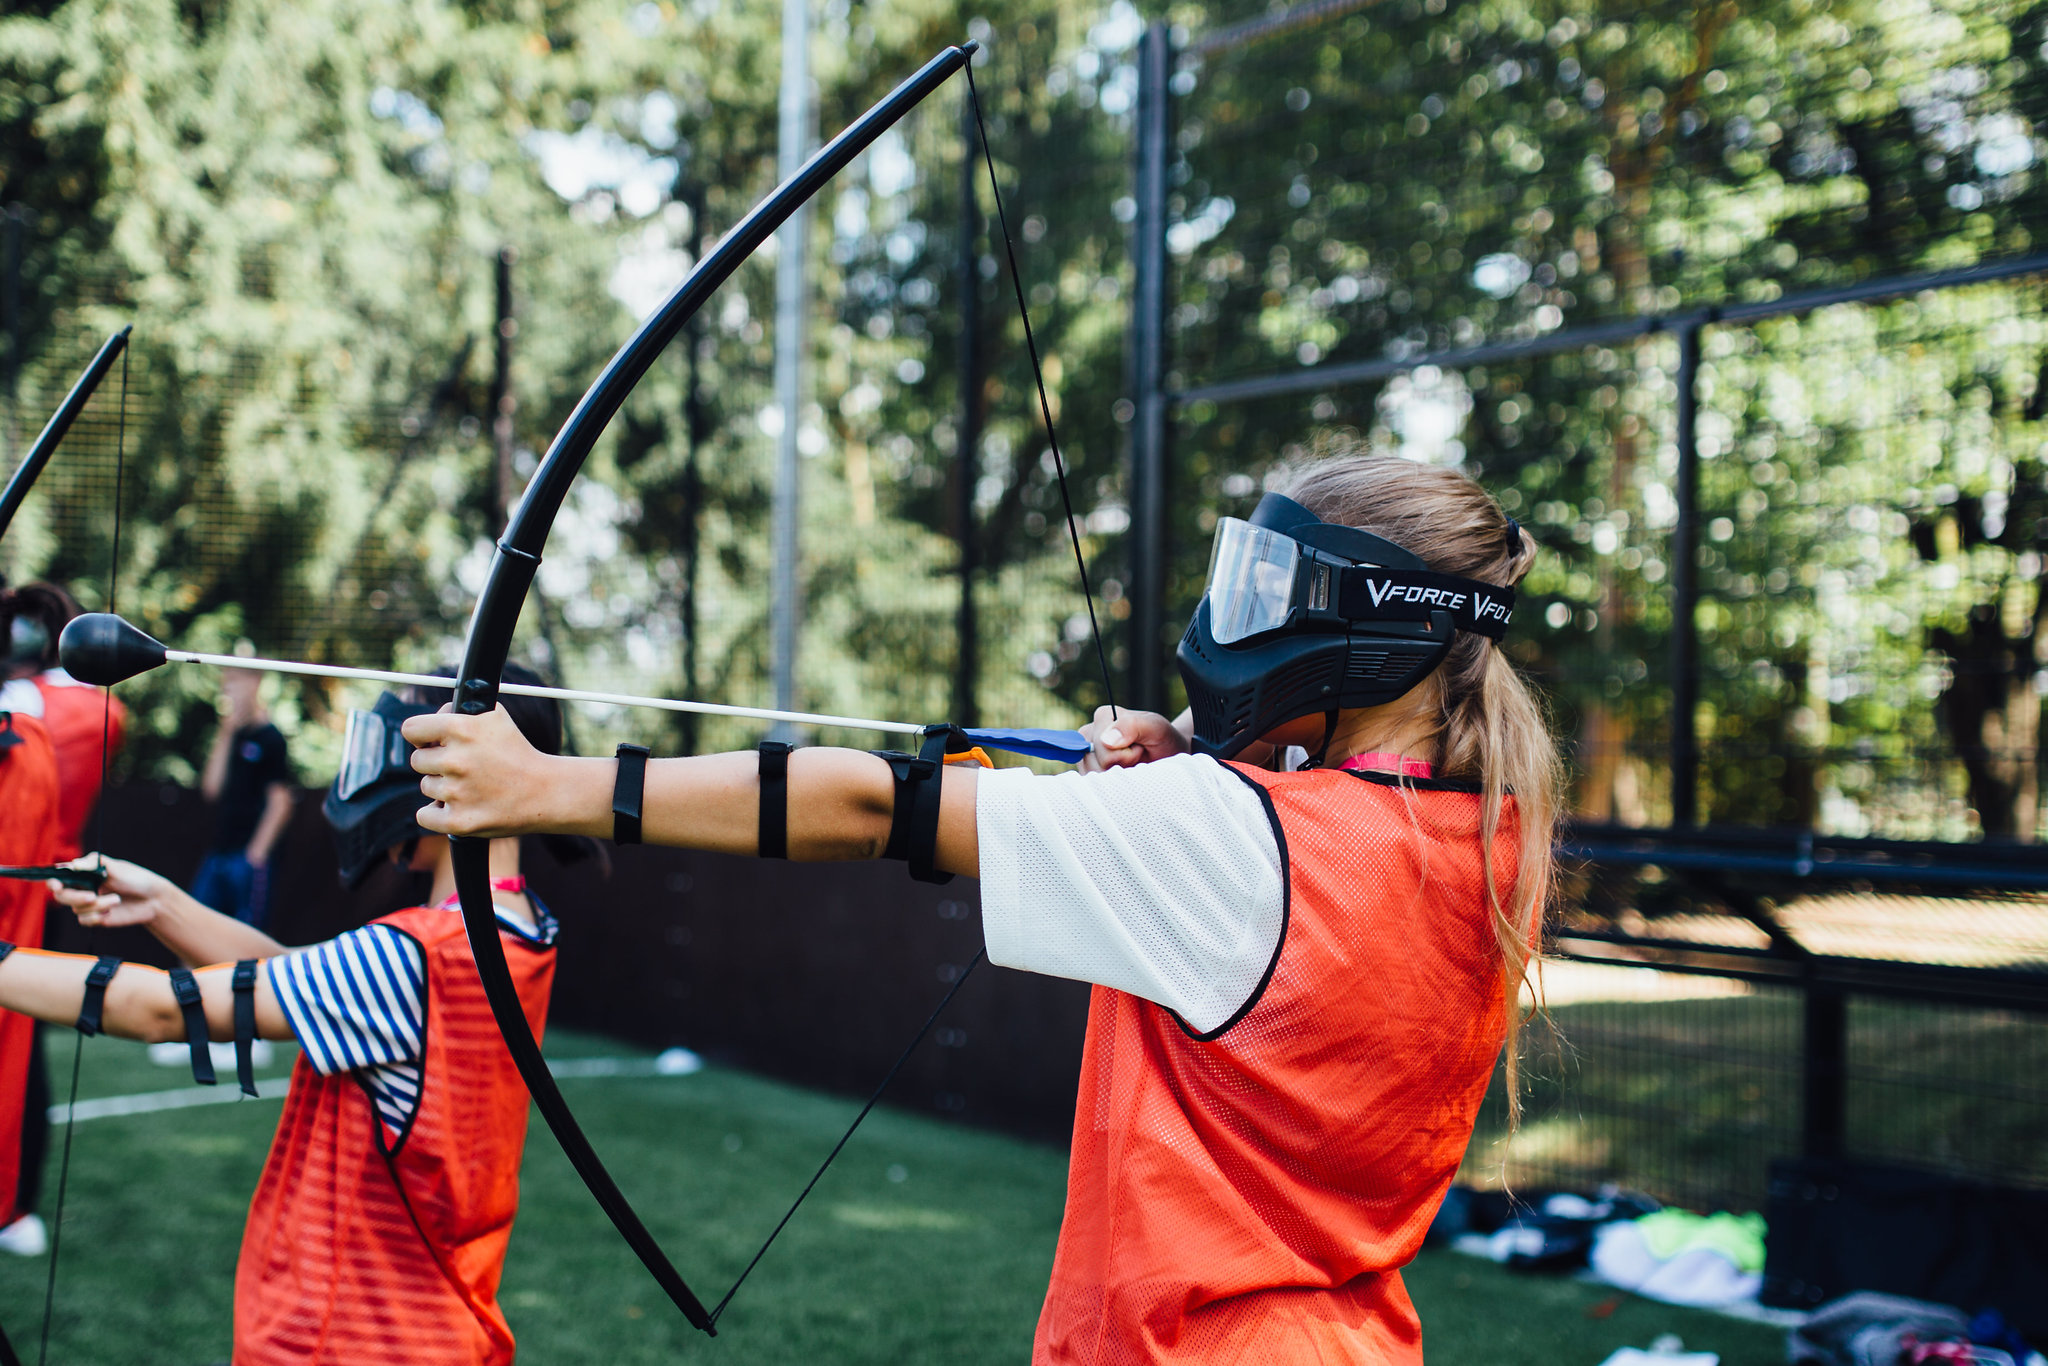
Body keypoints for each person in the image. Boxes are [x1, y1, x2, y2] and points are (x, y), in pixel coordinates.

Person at [404, 451, 1561, 1363]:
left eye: (1279, 590)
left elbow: (870, 805)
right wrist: (1208, 771)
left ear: (1382, 620)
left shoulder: (1229, 836)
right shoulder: (1495, 841)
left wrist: (548, 786)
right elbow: (1319, 855)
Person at [0, 664, 584, 1364]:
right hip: (432, 1334)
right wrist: (160, 903)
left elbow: (158, 1010)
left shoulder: (422, 955)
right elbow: (299, 976)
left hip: (343, 1340)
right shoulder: (514, 928)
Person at [0, 581, 129, 1257]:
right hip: (31, 891)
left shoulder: (66, 709)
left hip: (28, 894)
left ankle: (12, 1203)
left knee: (18, 1044)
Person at [193, 661, 295, 927]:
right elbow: (211, 789)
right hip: (219, 852)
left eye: (235, 681)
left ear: (255, 682)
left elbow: (280, 803)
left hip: (247, 859)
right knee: (197, 925)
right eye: (226, 682)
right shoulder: (232, 736)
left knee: (245, 934)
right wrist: (225, 733)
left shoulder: (271, 739)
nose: (229, 690)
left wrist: (255, 855)